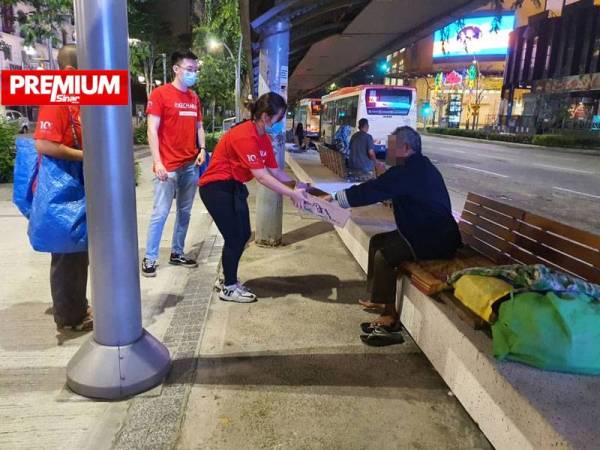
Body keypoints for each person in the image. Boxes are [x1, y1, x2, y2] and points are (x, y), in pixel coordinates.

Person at [329, 127, 461, 345]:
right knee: (377, 241)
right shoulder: (414, 166)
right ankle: (378, 300)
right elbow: (379, 186)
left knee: (385, 255)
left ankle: (390, 319)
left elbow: (373, 190)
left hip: (434, 237)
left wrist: (335, 198)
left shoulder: (411, 171)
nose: (387, 152)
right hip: (423, 230)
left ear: (406, 148)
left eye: (392, 147)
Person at [199, 92, 307, 303]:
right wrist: (291, 194)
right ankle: (229, 287)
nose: (280, 123)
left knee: (242, 235)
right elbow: (262, 177)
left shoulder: (262, 137)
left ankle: (227, 279)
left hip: (233, 187)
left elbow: (274, 171)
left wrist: (297, 185)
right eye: (279, 118)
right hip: (216, 189)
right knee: (234, 237)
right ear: (266, 117)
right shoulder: (244, 135)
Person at [34, 44, 93, 332]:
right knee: (68, 251)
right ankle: (70, 317)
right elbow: (44, 144)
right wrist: (86, 156)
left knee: (78, 250)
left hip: (77, 185)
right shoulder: (58, 97)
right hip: (64, 188)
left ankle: (76, 306)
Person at [142, 50, 206, 277]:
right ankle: (150, 258)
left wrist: (202, 149)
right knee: (160, 213)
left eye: (195, 70)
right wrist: (157, 162)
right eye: (189, 69)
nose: (193, 73)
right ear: (176, 69)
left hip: (190, 165)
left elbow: (199, 126)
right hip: (167, 166)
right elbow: (152, 130)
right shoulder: (160, 95)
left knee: (185, 212)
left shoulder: (194, 98)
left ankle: (177, 252)